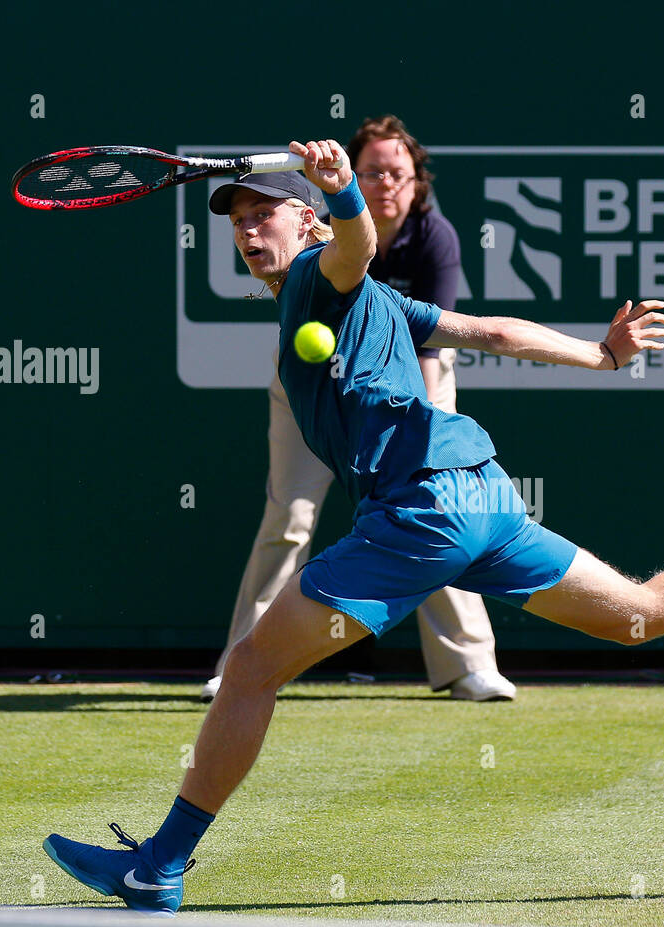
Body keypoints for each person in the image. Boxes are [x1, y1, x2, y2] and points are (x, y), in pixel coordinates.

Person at [43, 139, 664, 913]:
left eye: (262, 213)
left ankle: (159, 865)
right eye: (236, 219)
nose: (246, 229)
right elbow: (492, 330)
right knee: (637, 612)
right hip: (483, 499)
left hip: (420, 514)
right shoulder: (379, 301)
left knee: (251, 670)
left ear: (303, 219)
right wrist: (600, 354)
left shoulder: (324, 273)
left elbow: (356, 243)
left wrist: (346, 196)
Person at [202, 116, 515, 704]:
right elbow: (351, 244)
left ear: (416, 182)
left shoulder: (433, 238)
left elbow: (430, 346)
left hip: (414, 374)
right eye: (372, 173)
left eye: (399, 173)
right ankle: (241, 662)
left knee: (434, 501)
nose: (387, 183)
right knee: (289, 515)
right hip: (312, 381)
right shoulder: (322, 246)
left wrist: (407, 439)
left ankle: (468, 662)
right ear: (349, 179)